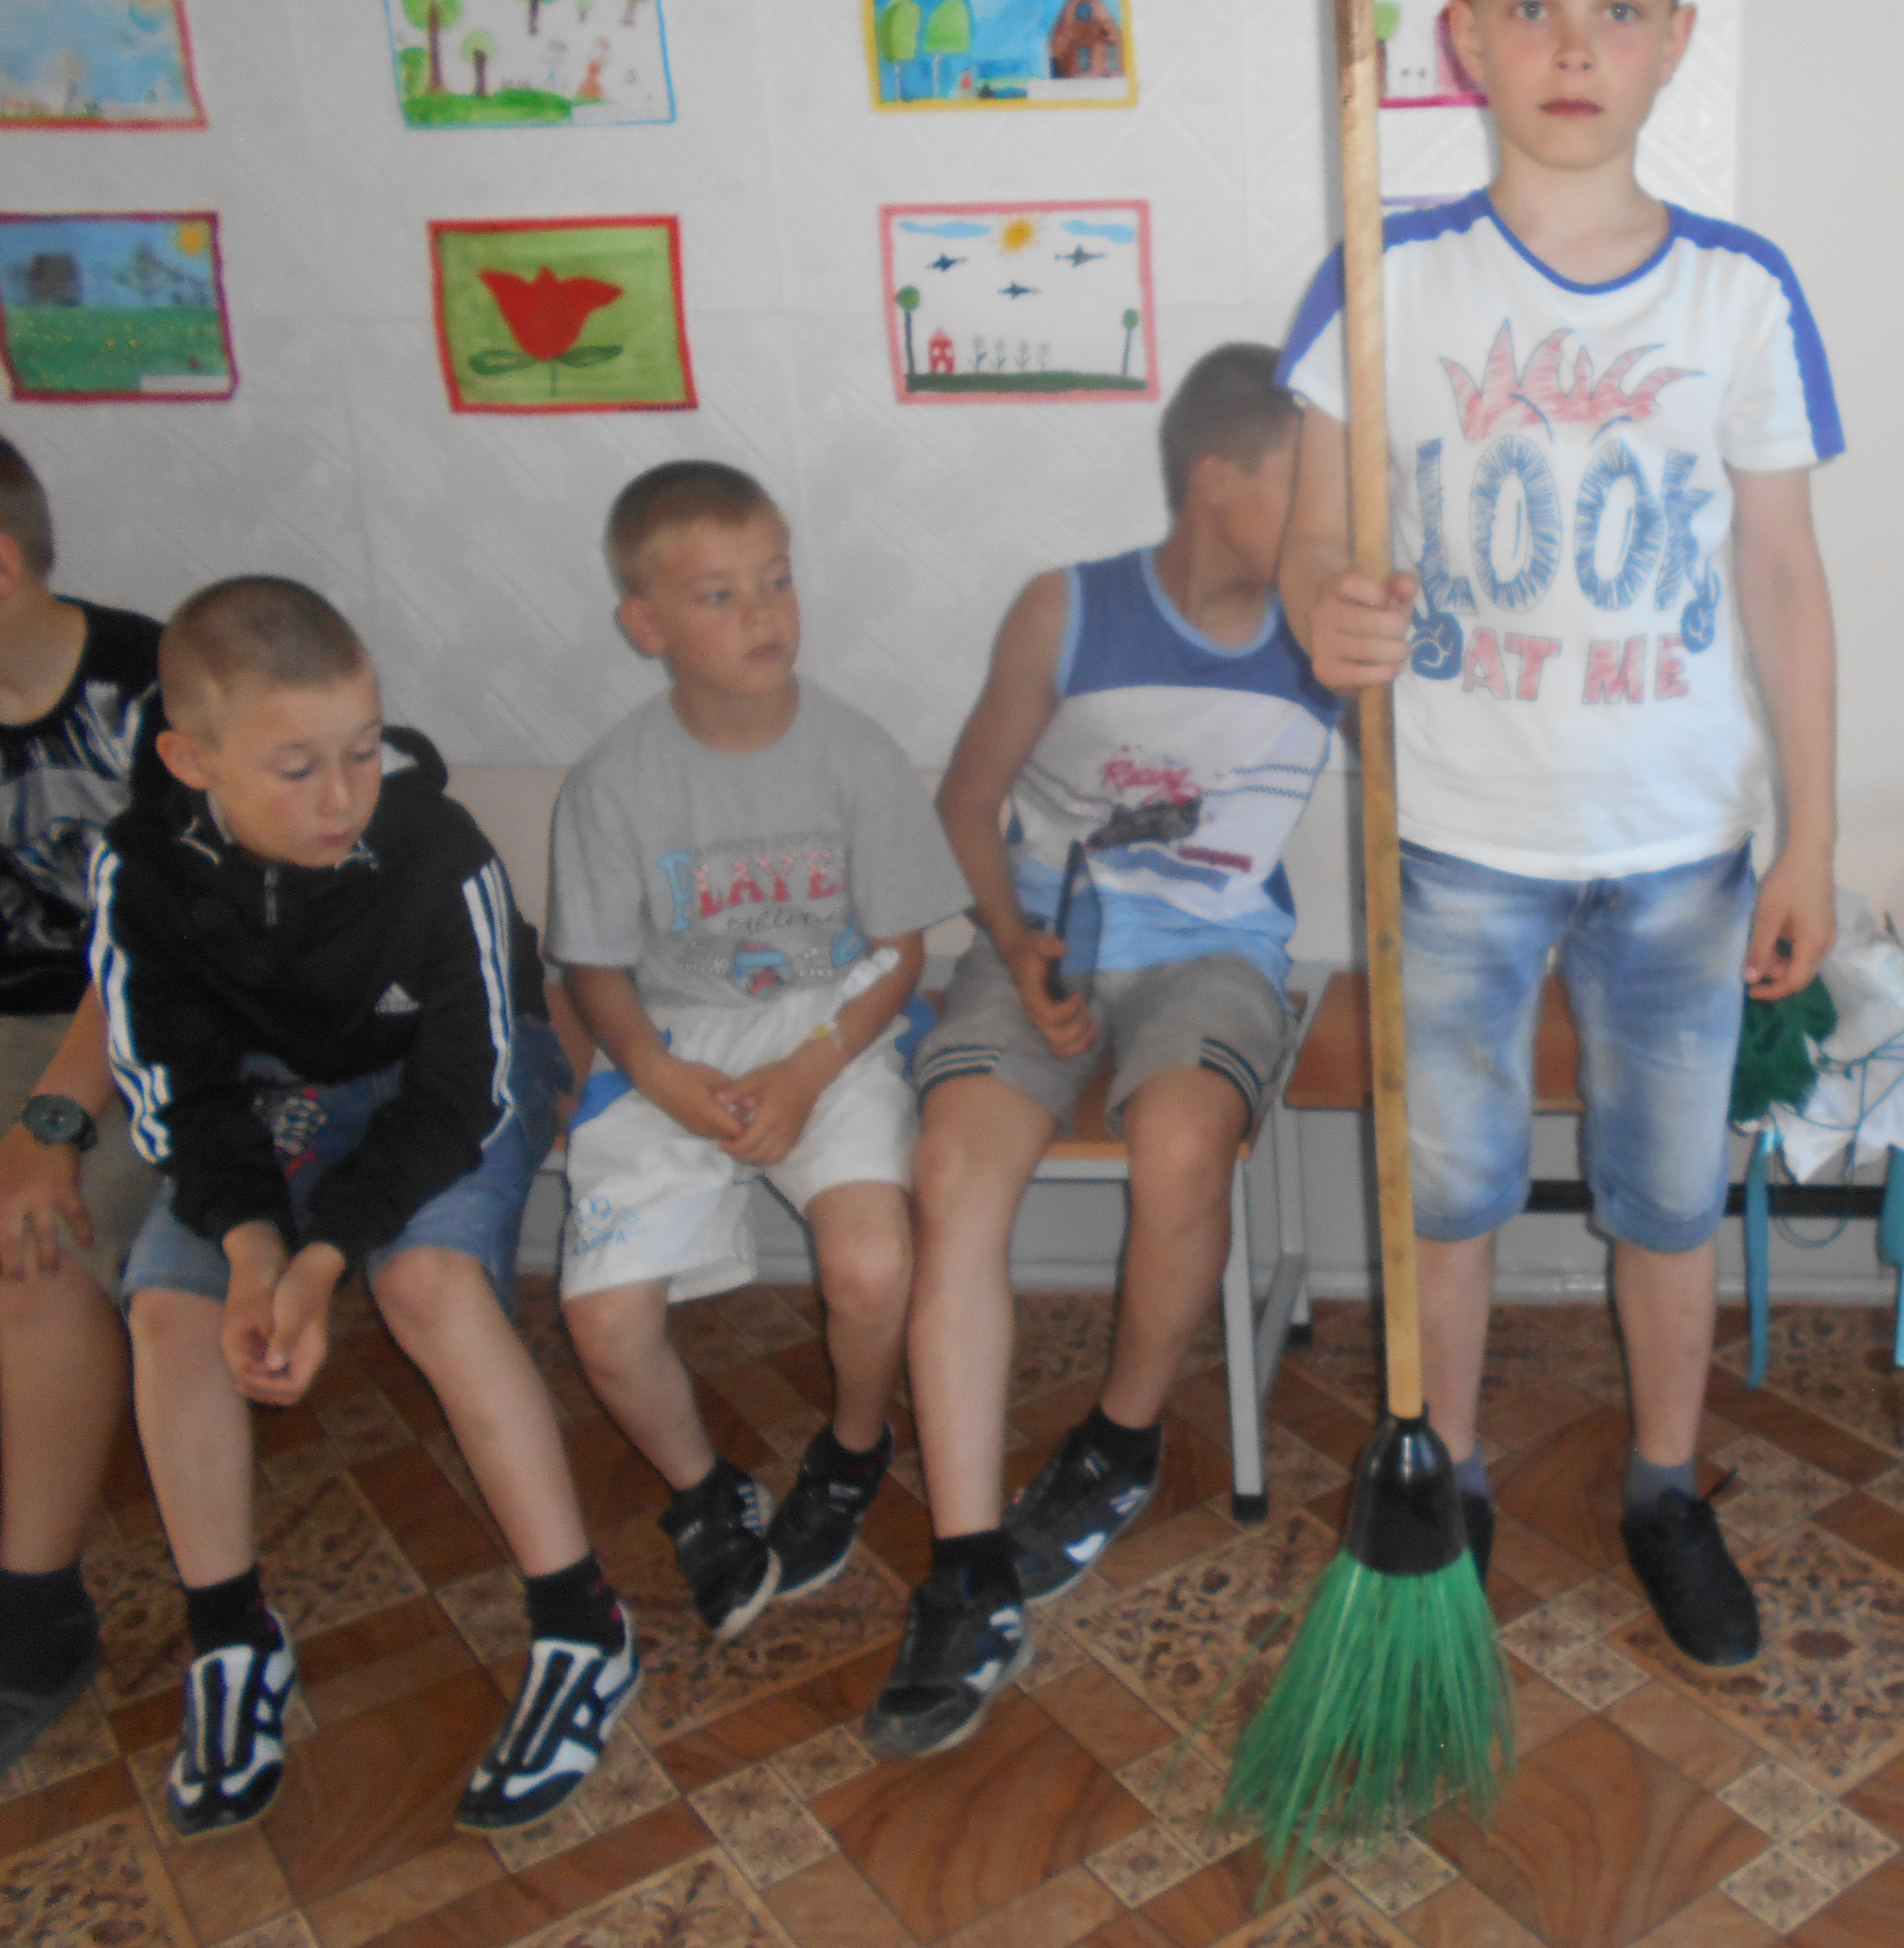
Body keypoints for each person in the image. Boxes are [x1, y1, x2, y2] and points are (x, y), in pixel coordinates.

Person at [1279, 0, 1842, 1668]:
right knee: (1445, 1197)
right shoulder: (1384, 283)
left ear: (1676, 38)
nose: (1574, 47)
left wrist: (1813, 837)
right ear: (1462, 40)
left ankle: (1667, 1485)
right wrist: (1326, 606)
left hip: (1680, 849)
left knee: (1665, 1201)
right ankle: (1445, 1481)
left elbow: (1783, 577)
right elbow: (1310, 537)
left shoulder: (1738, 293)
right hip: (1452, 840)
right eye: (1531, 7)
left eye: (1615, 9)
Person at [861, 345, 1337, 1756]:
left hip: (1213, 956)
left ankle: (1117, 1443)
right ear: (1215, 479)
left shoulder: (1328, 629)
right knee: (952, 1175)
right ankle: (965, 1573)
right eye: (1305, 494)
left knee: (1181, 1144)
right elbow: (966, 803)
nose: (1331, 531)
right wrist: (1014, 945)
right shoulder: (1065, 611)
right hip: (1044, 943)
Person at [93, 576, 616, 1834]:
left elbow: (465, 1085)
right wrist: (253, 1246)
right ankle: (232, 1638)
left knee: (425, 1281)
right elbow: (176, 1090)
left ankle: (581, 1622)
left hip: (447, 1083)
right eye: (297, 769)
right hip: (266, 1096)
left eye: (363, 750)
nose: (343, 798)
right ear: (193, 760)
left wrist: (322, 1257)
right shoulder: (140, 872)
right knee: (171, 1311)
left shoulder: (436, 851)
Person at [548, 463, 964, 1645]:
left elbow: (899, 953)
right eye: (720, 595)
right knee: (604, 1321)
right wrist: (655, 1071)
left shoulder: (857, 755)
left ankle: (853, 1447)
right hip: (669, 1042)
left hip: (831, 1030)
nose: (764, 614)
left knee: (872, 1267)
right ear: (647, 625)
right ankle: (702, 1491)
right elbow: (592, 969)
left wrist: (809, 1071)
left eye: (776, 581)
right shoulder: (612, 782)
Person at [0, 437, 165, 1780]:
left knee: (33, 1243)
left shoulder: (156, 693)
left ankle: (37, 1611)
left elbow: (163, 946)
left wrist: (49, 1125)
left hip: (145, 1029)